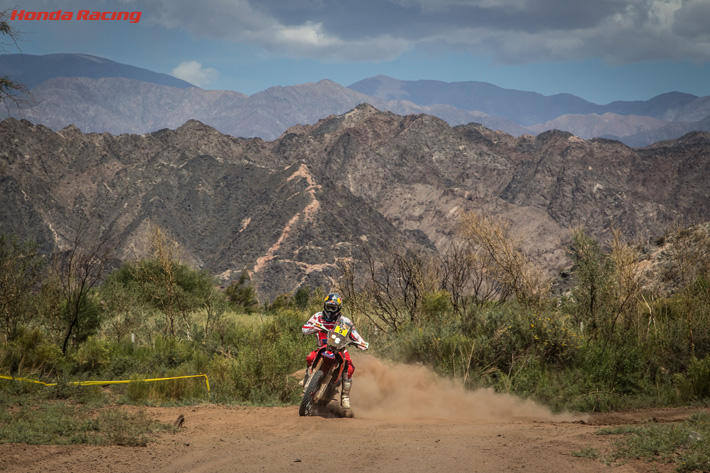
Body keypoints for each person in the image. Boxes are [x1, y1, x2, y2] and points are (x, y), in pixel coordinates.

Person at [301, 293, 368, 410]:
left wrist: (362, 343)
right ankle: (307, 379)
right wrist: (315, 327)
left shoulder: (345, 322)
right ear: (324, 306)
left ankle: (345, 396)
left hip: (340, 350)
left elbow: (355, 334)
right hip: (324, 347)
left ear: (339, 308)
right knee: (310, 357)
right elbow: (305, 328)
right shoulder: (318, 316)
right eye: (328, 307)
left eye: (333, 308)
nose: (330, 310)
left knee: (350, 368)